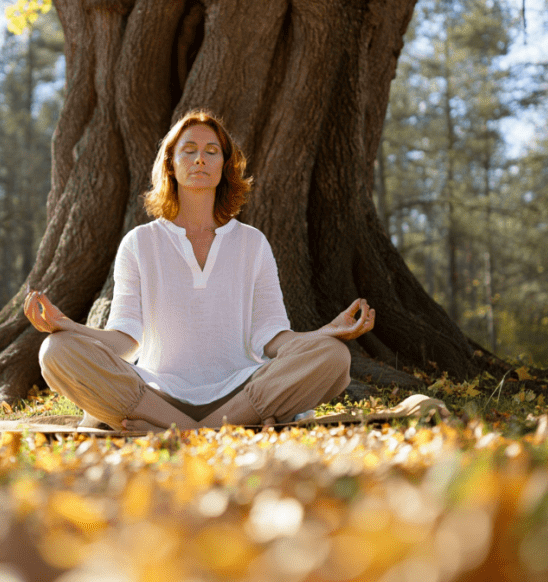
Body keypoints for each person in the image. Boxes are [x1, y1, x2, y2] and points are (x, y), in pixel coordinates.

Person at [24, 110, 375, 431]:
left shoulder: (252, 243)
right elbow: (123, 341)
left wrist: (326, 333)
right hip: (155, 393)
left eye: (211, 151)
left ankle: (172, 433)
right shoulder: (139, 243)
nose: (200, 159)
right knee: (55, 350)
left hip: (242, 392)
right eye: (188, 150)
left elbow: (273, 340)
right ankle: (211, 433)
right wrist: (67, 326)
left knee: (333, 357)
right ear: (171, 165)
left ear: (224, 165)